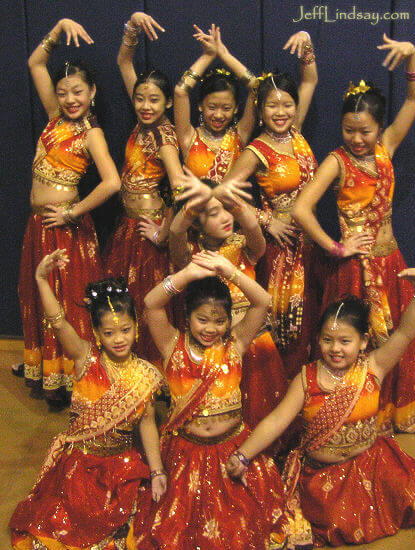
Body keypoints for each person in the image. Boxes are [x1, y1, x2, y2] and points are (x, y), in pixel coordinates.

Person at [227, 268, 415, 550]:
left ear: (364, 342)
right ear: (318, 339)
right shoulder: (306, 379)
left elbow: (406, 332)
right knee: (334, 522)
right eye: (327, 340)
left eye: (345, 341)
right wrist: (244, 454)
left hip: (373, 466)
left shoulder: (374, 367)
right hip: (322, 476)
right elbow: (277, 420)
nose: (336, 349)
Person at [292, 34, 415, 434]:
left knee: (397, 343)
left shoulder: (386, 147)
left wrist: (413, 55)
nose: (357, 138)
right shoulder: (336, 161)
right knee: (359, 344)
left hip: (392, 262)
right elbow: (302, 210)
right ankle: (354, 412)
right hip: (355, 269)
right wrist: (336, 246)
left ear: (378, 128)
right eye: (349, 129)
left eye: (365, 131)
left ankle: (385, 411)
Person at [129, 252, 287, 550]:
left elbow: (263, 302)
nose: (210, 328)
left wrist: (230, 271)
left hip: (232, 451)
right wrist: (187, 274)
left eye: (219, 320)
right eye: (202, 319)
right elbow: (151, 303)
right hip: (184, 455)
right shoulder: (171, 345)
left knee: (237, 532)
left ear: (229, 320)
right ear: (187, 316)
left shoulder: (235, 344)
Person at [10, 249, 165, 550]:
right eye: (109, 333)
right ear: (96, 333)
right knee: (69, 522)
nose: (119, 339)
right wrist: (42, 279)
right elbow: (58, 322)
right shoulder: (85, 359)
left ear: (136, 327)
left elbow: (147, 426)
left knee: (143, 522)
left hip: (122, 467)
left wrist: (158, 472)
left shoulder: (145, 375)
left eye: (126, 330)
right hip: (81, 466)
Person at [16, 18, 121, 408]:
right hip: (39, 225)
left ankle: (78, 377)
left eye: (78, 91)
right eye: (64, 93)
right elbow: (35, 65)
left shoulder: (90, 131)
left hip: (65, 227)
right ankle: (51, 374)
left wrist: (73, 213)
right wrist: (57, 29)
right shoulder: (54, 119)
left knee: (68, 299)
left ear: (92, 92)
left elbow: (112, 182)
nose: (70, 99)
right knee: (39, 297)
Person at [223, 31, 320, 378]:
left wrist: (306, 43)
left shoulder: (297, 134)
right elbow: (223, 193)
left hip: (311, 244)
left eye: (287, 104)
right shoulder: (257, 150)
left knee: (310, 322)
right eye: (272, 105)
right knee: (285, 325)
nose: (281, 112)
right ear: (260, 111)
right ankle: (278, 400)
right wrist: (266, 220)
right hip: (281, 251)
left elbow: (310, 78)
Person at [169, 170, 288, 430]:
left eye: (226, 211)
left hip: (253, 340)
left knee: (261, 413)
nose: (224, 218)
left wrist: (226, 198)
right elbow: (176, 231)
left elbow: (253, 226)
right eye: (213, 213)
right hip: (212, 347)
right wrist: (193, 205)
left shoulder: (245, 246)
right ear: (197, 224)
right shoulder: (192, 255)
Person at [106, 12, 183, 365]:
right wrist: (132, 26)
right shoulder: (142, 125)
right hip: (128, 230)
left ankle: (151, 377)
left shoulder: (164, 136)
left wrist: (164, 232)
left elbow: (180, 188)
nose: (145, 106)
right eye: (140, 99)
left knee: (147, 307)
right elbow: (124, 60)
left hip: (148, 236)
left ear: (168, 103)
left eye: (154, 100)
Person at [174, 23, 258, 183]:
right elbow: (180, 92)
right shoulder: (189, 137)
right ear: (200, 105)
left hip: (232, 208)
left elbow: (256, 87)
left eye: (226, 108)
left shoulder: (240, 135)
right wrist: (208, 56)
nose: (218, 115)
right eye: (212, 107)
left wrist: (224, 54)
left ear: (236, 109)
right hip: (195, 208)